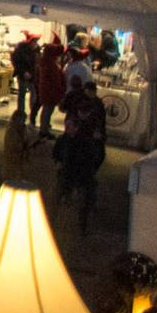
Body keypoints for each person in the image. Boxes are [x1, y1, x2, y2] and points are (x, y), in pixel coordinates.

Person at [55, 77, 108, 227]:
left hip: (84, 157)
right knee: (74, 177)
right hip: (80, 156)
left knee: (83, 181)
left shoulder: (91, 107)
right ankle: (70, 196)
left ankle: (81, 205)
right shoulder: (86, 107)